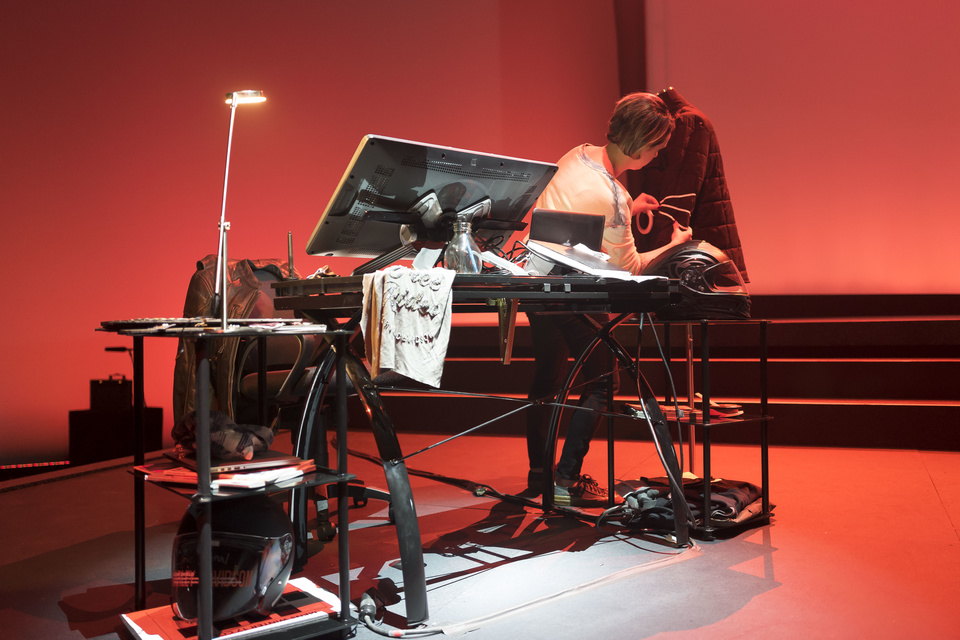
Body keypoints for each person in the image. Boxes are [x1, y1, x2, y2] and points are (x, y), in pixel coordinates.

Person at [526, 92, 693, 507]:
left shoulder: (577, 155)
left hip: (534, 284)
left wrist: (627, 206)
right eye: (657, 147)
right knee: (603, 383)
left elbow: (580, 214)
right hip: (574, 293)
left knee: (547, 383)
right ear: (640, 143)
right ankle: (566, 480)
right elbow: (630, 269)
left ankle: (541, 477)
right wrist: (675, 246)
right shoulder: (612, 196)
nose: (657, 156)